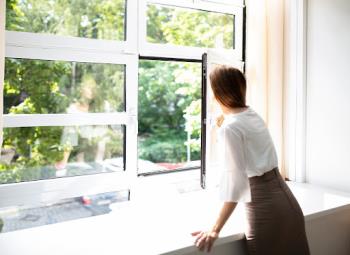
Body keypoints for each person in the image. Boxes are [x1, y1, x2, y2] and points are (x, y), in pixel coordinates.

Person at [191, 66, 310, 255]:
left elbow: (236, 187)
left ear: (217, 94)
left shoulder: (229, 128)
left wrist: (214, 229)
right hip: (287, 204)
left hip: (265, 209)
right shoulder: (251, 114)